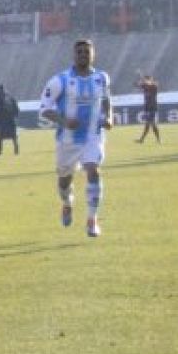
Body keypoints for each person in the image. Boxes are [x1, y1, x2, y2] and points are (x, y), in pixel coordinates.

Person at [39, 38, 112, 238]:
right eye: (79, 52)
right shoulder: (60, 81)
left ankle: (92, 220)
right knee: (64, 181)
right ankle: (67, 203)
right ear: (74, 55)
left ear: (93, 54)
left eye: (87, 52)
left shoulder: (102, 78)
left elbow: (106, 99)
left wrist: (109, 117)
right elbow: (44, 109)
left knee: (93, 171)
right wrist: (64, 121)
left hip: (93, 136)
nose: (83, 55)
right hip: (68, 141)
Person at [0, 85, 21, 155]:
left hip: (2, 121)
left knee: (0, 136)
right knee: (13, 136)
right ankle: (16, 149)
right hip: (11, 120)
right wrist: (15, 117)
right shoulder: (11, 98)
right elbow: (17, 110)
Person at [135, 73, 161, 144]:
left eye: (147, 80)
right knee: (148, 124)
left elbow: (153, 84)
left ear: (150, 80)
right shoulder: (145, 86)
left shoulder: (154, 86)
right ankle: (142, 140)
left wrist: (146, 82)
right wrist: (141, 81)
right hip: (147, 107)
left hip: (152, 107)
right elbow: (136, 85)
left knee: (152, 124)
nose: (145, 81)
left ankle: (157, 139)